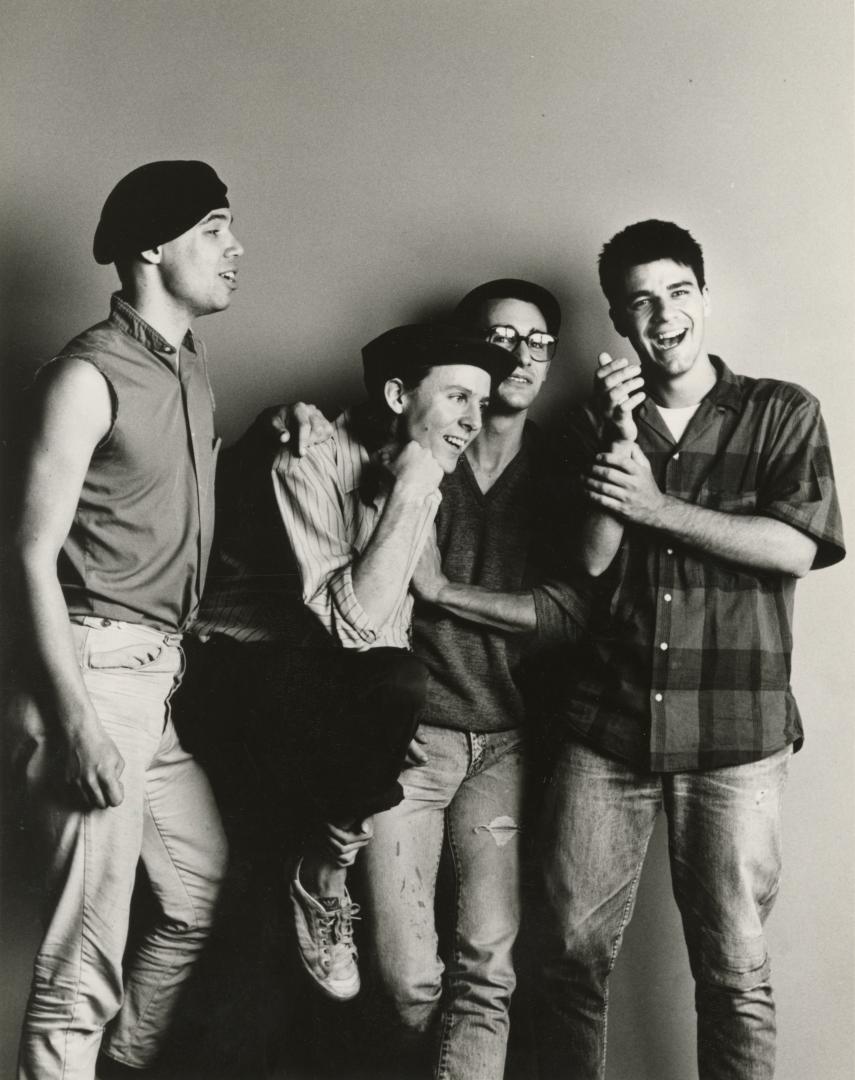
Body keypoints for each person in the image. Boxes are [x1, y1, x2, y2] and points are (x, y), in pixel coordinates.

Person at [536, 219, 845, 1080]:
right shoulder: (593, 425)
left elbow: (797, 546)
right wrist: (618, 436)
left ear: (702, 299)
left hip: (734, 734)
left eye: (676, 294)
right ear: (617, 321)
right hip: (607, 728)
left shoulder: (780, 411)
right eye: (639, 303)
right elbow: (590, 561)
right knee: (567, 955)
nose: (662, 317)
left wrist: (659, 509)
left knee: (734, 969)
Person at [180, 323, 516, 1008]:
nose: (473, 421)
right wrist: (413, 490)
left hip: (316, 702)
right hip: (237, 688)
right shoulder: (310, 456)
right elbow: (355, 631)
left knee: (312, 989)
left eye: (481, 404)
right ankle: (323, 874)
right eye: (457, 398)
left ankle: (323, 875)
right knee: (244, 939)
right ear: (397, 393)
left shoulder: (414, 465)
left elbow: (383, 634)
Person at [8, 160, 238, 1080]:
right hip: (94, 677)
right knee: (80, 965)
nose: (237, 249)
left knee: (197, 889)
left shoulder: (186, 369)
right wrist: (71, 722)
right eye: (217, 228)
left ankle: (122, 1067)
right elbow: (25, 552)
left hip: (157, 678)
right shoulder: (85, 375)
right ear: (153, 244)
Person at [359, 280, 588, 1080]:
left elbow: (570, 613)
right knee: (408, 978)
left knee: (487, 969)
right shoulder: (417, 450)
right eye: (502, 338)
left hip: (504, 747)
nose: (522, 357)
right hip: (412, 745)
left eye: (538, 343)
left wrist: (446, 592)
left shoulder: (561, 472)